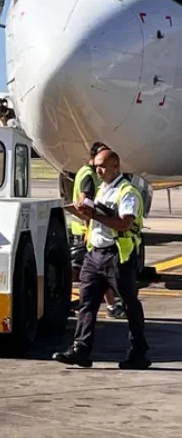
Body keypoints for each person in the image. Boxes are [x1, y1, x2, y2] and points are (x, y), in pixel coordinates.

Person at [54, 148, 151, 369]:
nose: (98, 170)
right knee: (87, 303)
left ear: (116, 166)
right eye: (96, 165)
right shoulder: (102, 189)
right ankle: (81, 349)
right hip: (95, 254)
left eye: (103, 166)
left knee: (129, 304)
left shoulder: (126, 192)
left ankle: (139, 352)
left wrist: (95, 215)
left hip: (117, 255)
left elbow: (125, 223)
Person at [70, 142, 125, 319]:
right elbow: (84, 200)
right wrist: (90, 224)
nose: (102, 168)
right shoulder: (89, 175)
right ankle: (108, 306)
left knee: (90, 276)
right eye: (101, 162)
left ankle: (104, 306)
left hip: (86, 228)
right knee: (98, 275)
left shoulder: (82, 171)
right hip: (88, 230)